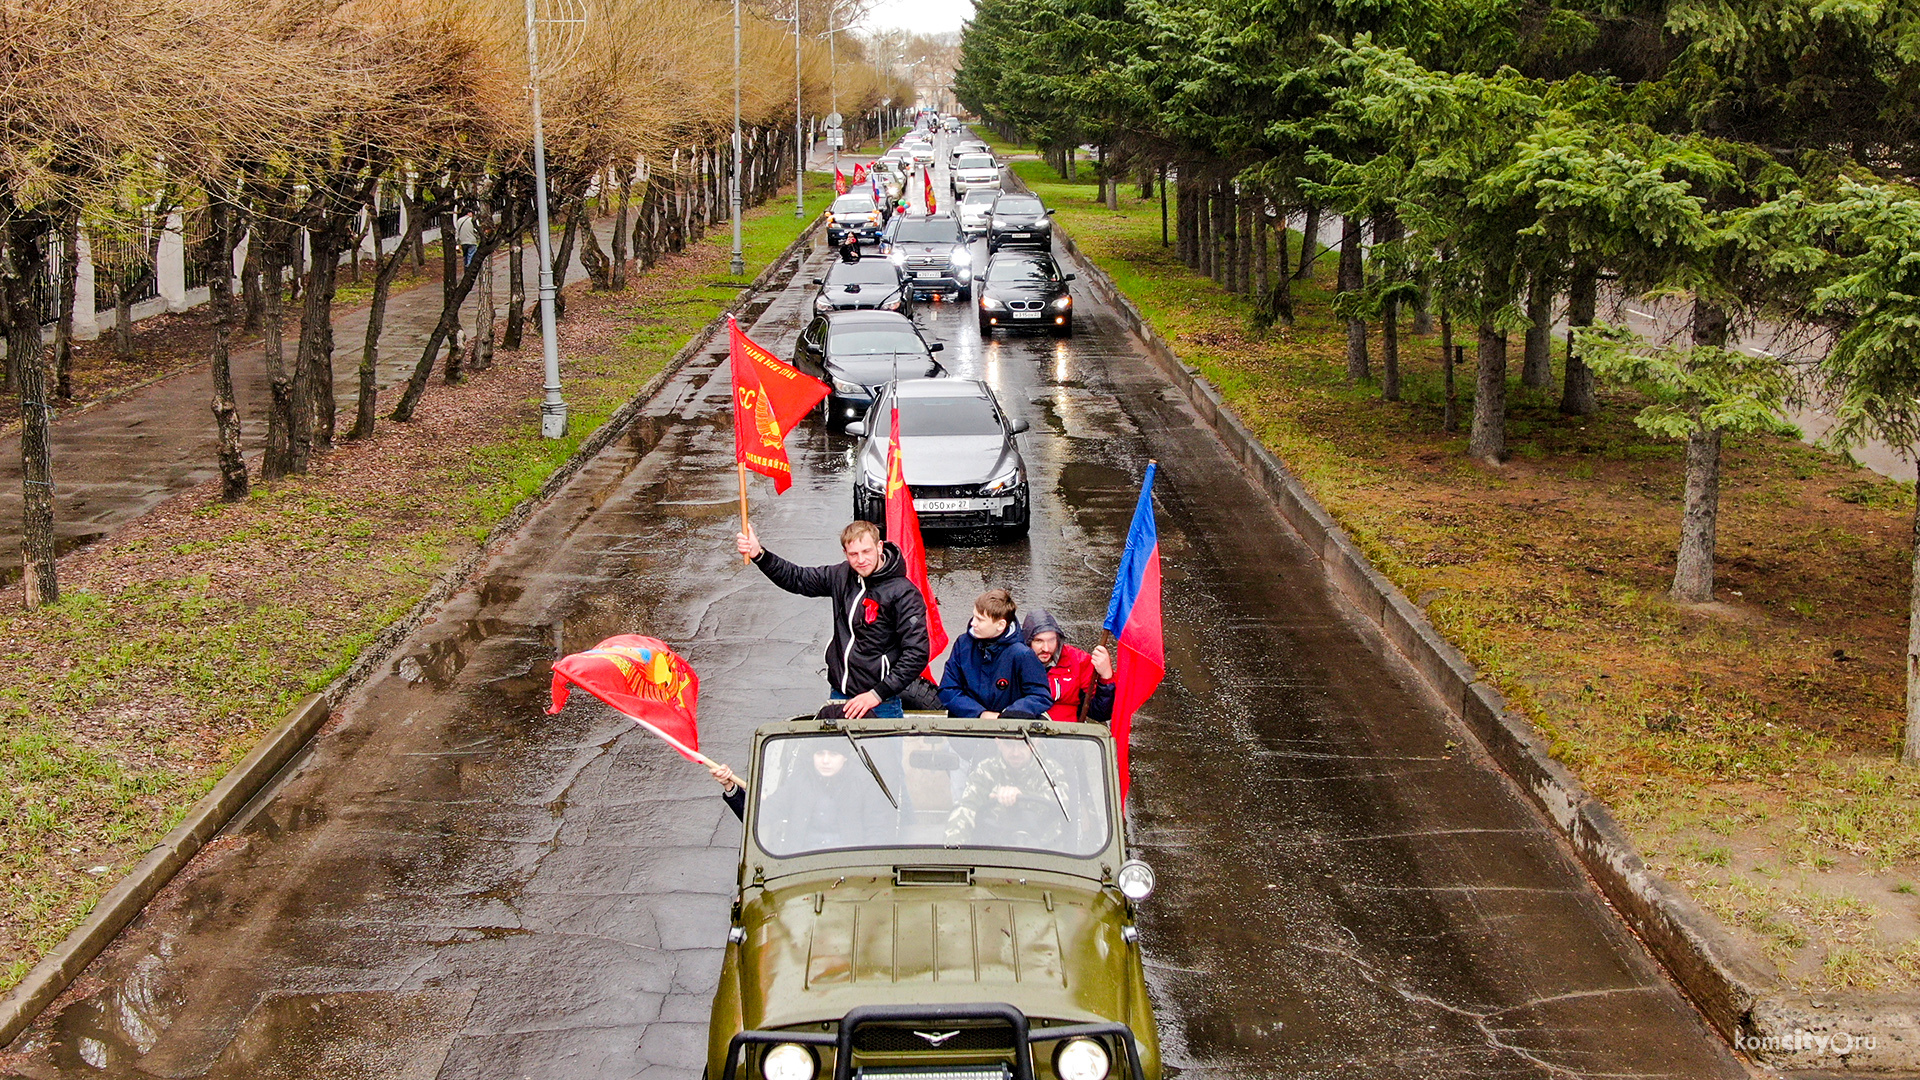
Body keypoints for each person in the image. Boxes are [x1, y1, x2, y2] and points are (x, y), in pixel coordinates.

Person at [737, 520, 929, 719]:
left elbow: (917, 653)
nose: (861, 560)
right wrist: (759, 554)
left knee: (881, 752)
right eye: (854, 554)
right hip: (840, 696)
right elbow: (797, 578)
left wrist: (876, 694)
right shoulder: (840, 575)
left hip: (881, 703)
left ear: (879, 546)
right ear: (845, 553)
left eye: (867, 551)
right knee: (836, 751)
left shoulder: (905, 594)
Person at [938, 588, 1051, 719]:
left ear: (1000, 625)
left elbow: (1040, 696)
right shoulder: (963, 644)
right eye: (974, 616)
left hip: (1007, 732)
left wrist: (1008, 714)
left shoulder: (1021, 655)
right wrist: (979, 713)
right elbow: (947, 689)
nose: (973, 623)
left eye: (980, 619)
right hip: (967, 727)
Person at [945, 737, 1066, 847]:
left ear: (1035, 742)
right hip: (995, 852)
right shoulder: (986, 770)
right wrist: (953, 850)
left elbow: (1061, 804)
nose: (1015, 753)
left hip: (1046, 854)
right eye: (1009, 744)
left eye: (1023, 744)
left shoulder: (1051, 771)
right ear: (998, 742)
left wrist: (1021, 795)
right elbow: (966, 808)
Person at [1020, 608, 1115, 724]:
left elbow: (1100, 712)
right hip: (1023, 732)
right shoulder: (1014, 659)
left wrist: (1106, 676)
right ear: (1028, 641)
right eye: (1039, 641)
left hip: (1067, 736)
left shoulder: (1078, 661)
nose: (1046, 648)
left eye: (1051, 640)